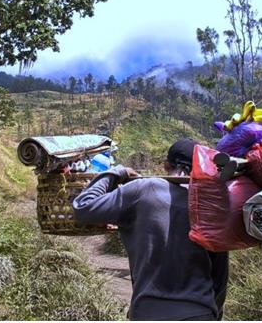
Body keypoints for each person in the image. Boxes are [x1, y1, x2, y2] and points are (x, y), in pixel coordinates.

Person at [72, 138, 229, 321]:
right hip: (200, 312)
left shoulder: (142, 190)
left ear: (165, 165)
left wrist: (116, 172)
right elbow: (219, 278)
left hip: (148, 312)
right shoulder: (209, 205)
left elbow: (83, 207)